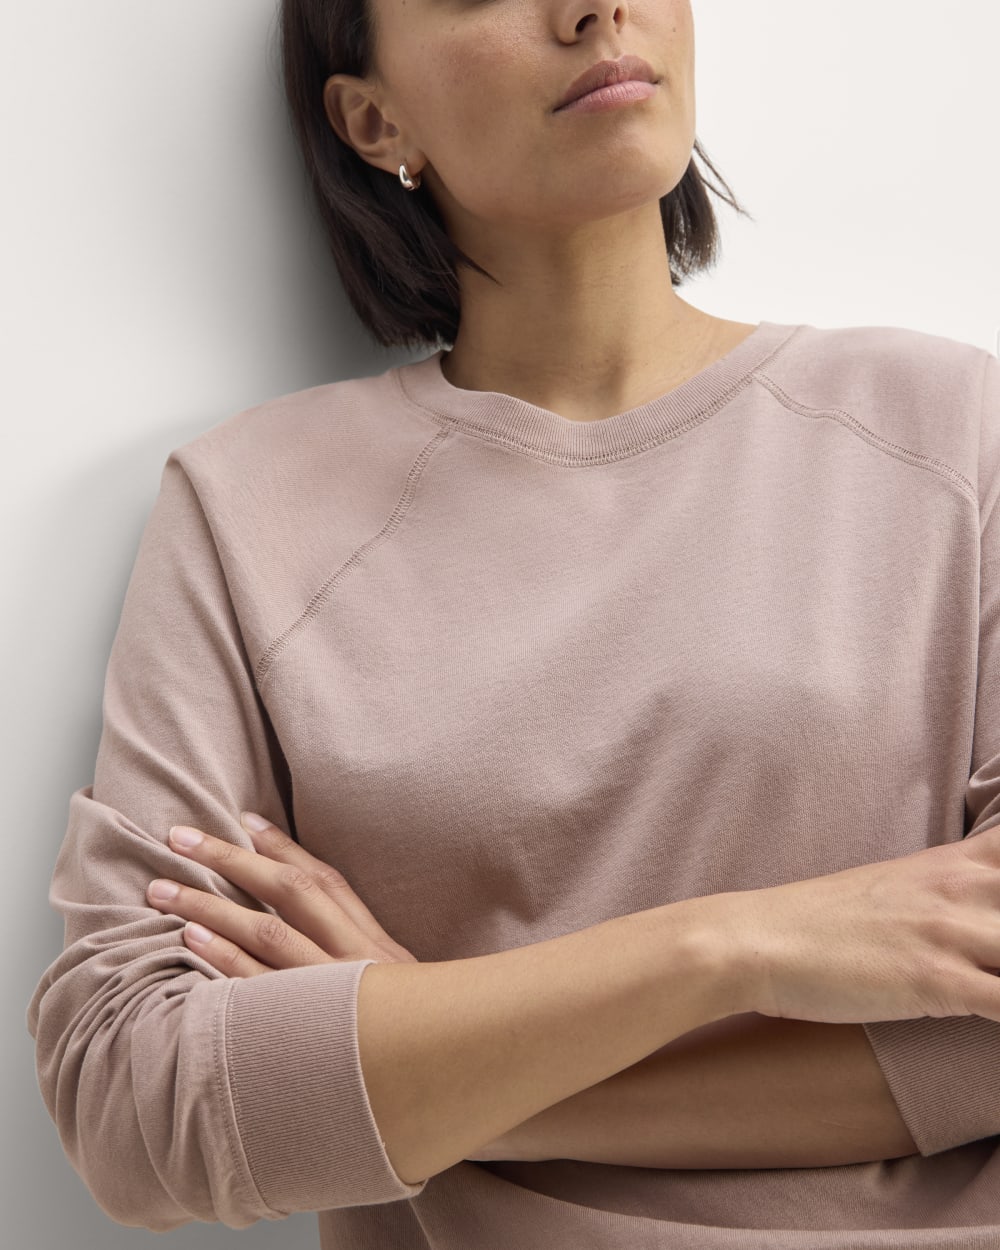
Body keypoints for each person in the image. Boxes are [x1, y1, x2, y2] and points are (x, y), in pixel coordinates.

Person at [25, 0, 1000, 1246]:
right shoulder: (248, 509)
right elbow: (133, 1099)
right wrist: (730, 945)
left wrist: (440, 1052)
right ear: (373, 121)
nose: (591, 6)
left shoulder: (950, 429)